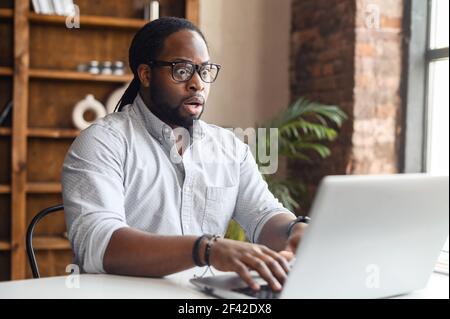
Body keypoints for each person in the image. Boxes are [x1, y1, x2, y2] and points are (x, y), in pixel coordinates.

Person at [62, 17, 308, 292]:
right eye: (182, 70)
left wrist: (295, 230)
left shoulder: (230, 147)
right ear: (145, 74)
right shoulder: (102, 142)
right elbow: (98, 244)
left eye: (204, 71)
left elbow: (263, 214)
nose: (197, 84)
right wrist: (206, 249)